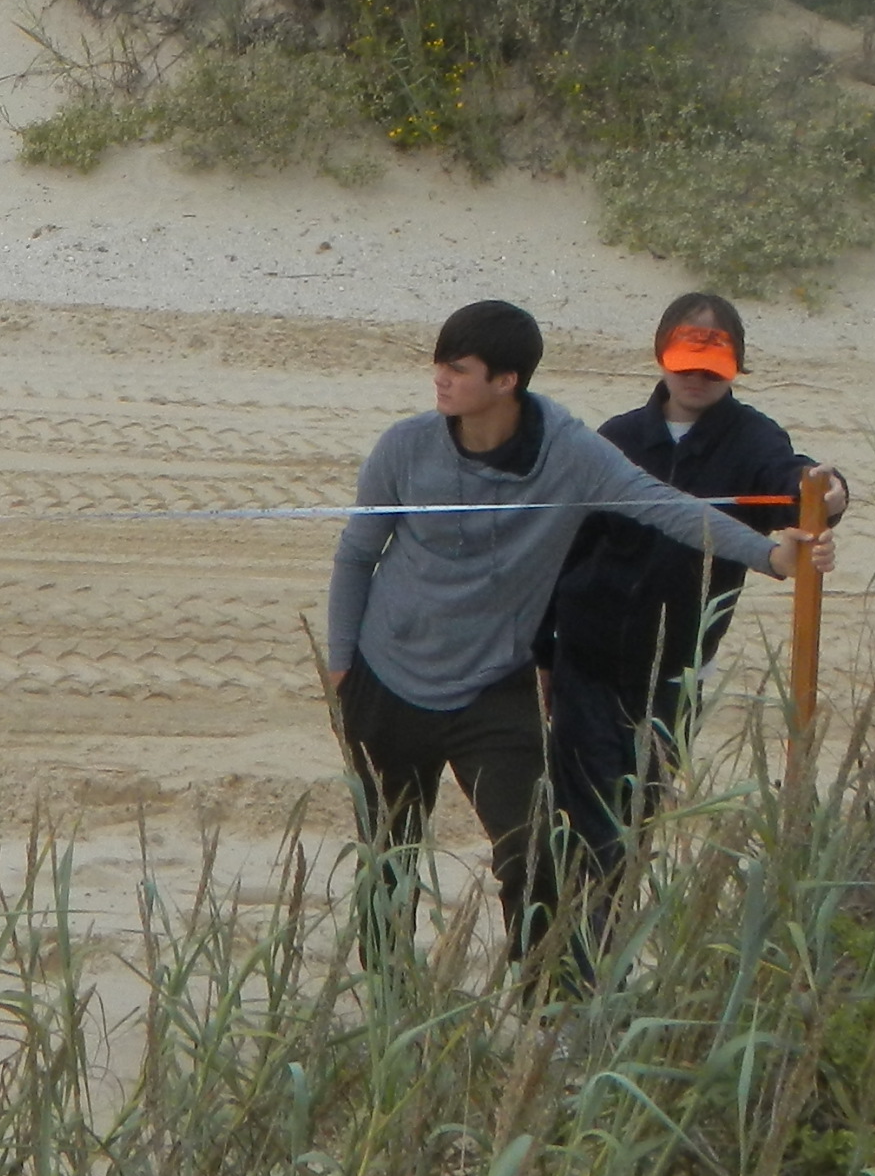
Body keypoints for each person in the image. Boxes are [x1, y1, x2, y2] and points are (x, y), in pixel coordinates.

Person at [323, 300, 823, 956]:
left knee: (535, 856)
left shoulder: (572, 452)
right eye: (440, 365)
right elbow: (357, 555)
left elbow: (664, 505)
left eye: (458, 369)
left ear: (506, 381)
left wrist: (771, 556)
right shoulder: (404, 446)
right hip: (386, 680)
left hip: (494, 688)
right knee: (389, 857)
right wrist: (341, 665)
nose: (440, 379)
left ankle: (543, 1003)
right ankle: (388, 997)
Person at [536, 292, 849, 908]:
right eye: (687, 364)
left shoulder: (752, 438)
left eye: (713, 368)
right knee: (578, 827)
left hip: (674, 673)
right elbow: (565, 550)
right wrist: (544, 653)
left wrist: (829, 493)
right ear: (661, 356)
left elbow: (791, 481)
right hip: (585, 662)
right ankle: (571, 946)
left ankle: (608, 939)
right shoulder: (619, 436)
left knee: (633, 823)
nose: (697, 378)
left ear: (735, 368)